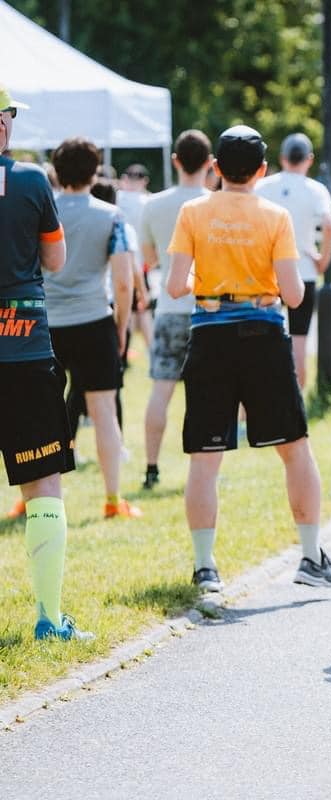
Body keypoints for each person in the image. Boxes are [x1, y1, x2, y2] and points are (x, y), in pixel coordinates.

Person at [166, 125, 331, 593]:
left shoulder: (192, 212)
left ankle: (205, 567)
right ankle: (311, 556)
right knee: (295, 448)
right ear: (262, 171)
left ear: (215, 168)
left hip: (209, 336)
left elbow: (175, 285)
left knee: (205, 457)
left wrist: (210, 279)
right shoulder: (275, 216)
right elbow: (294, 294)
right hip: (263, 336)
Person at [0, 85, 92, 640]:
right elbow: (55, 259)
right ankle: (49, 618)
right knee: (43, 487)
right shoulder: (33, 180)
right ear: (3, 123)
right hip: (25, 350)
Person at [44, 137, 141, 520]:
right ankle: (113, 499)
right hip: (94, 321)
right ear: (95, 171)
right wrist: (121, 327)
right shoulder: (111, 216)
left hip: (48, 325)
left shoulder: (43, 209)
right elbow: (123, 282)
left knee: (43, 416)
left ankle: (37, 500)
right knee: (104, 414)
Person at [138, 129, 212, 491]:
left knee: (161, 391)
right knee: (206, 394)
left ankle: (151, 467)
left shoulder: (153, 205)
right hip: (208, 309)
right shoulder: (215, 204)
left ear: (175, 161)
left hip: (168, 308)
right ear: (210, 163)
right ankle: (203, 469)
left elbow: (149, 258)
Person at [255, 132, 331, 390]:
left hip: (267, 272)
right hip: (304, 271)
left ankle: (259, 399)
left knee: (262, 341)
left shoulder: (263, 186)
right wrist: (323, 260)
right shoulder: (316, 190)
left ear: (282, 158)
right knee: (299, 342)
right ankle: (296, 402)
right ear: (309, 159)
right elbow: (329, 225)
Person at [118, 163, 154, 356]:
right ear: (144, 181)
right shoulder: (147, 201)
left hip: (119, 261)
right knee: (143, 309)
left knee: (126, 310)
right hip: (140, 263)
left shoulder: (117, 198)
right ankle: (151, 350)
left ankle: (124, 350)